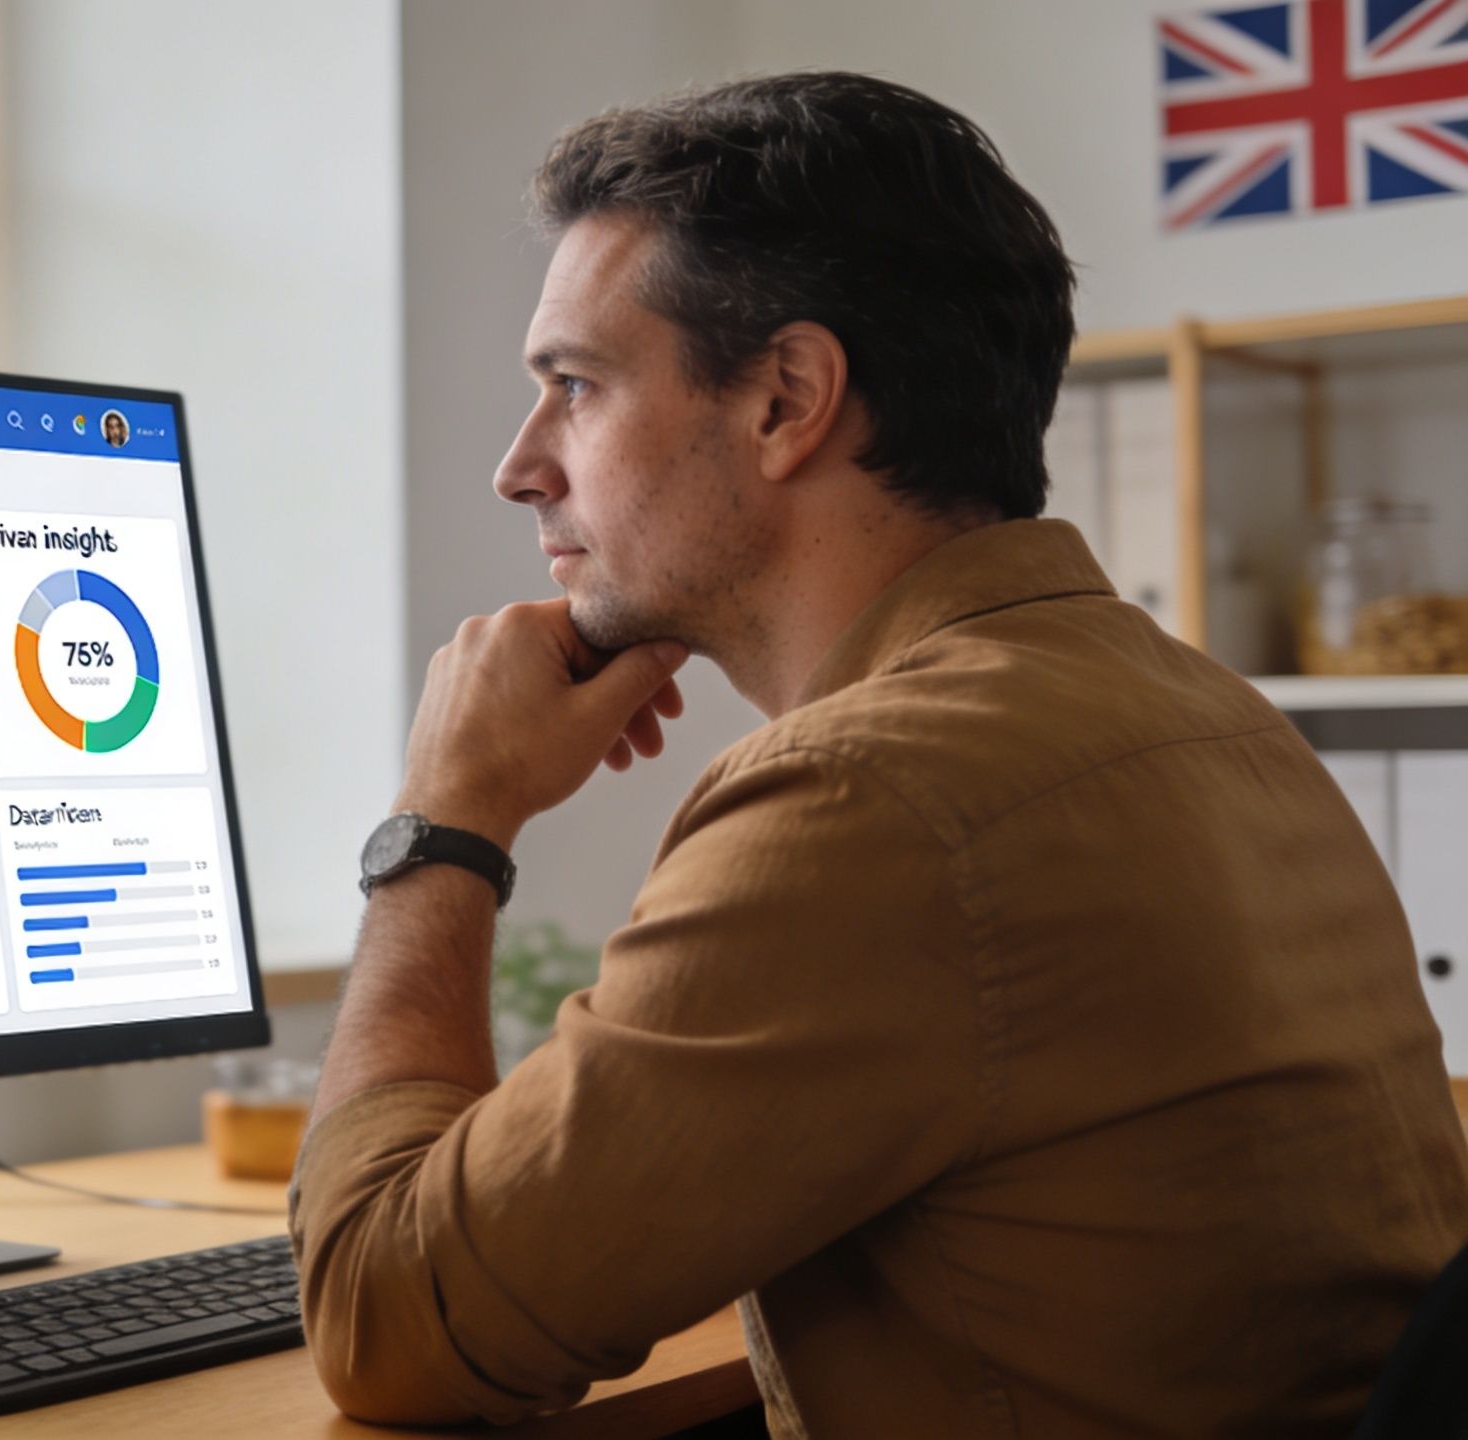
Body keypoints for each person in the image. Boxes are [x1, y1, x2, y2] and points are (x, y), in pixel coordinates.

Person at [292, 71, 1468, 1437]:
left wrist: (447, 818)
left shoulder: (879, 797)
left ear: (788, 398)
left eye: (575, 385)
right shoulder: (1210, 714)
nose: (520, 465)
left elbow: (387, 1319)